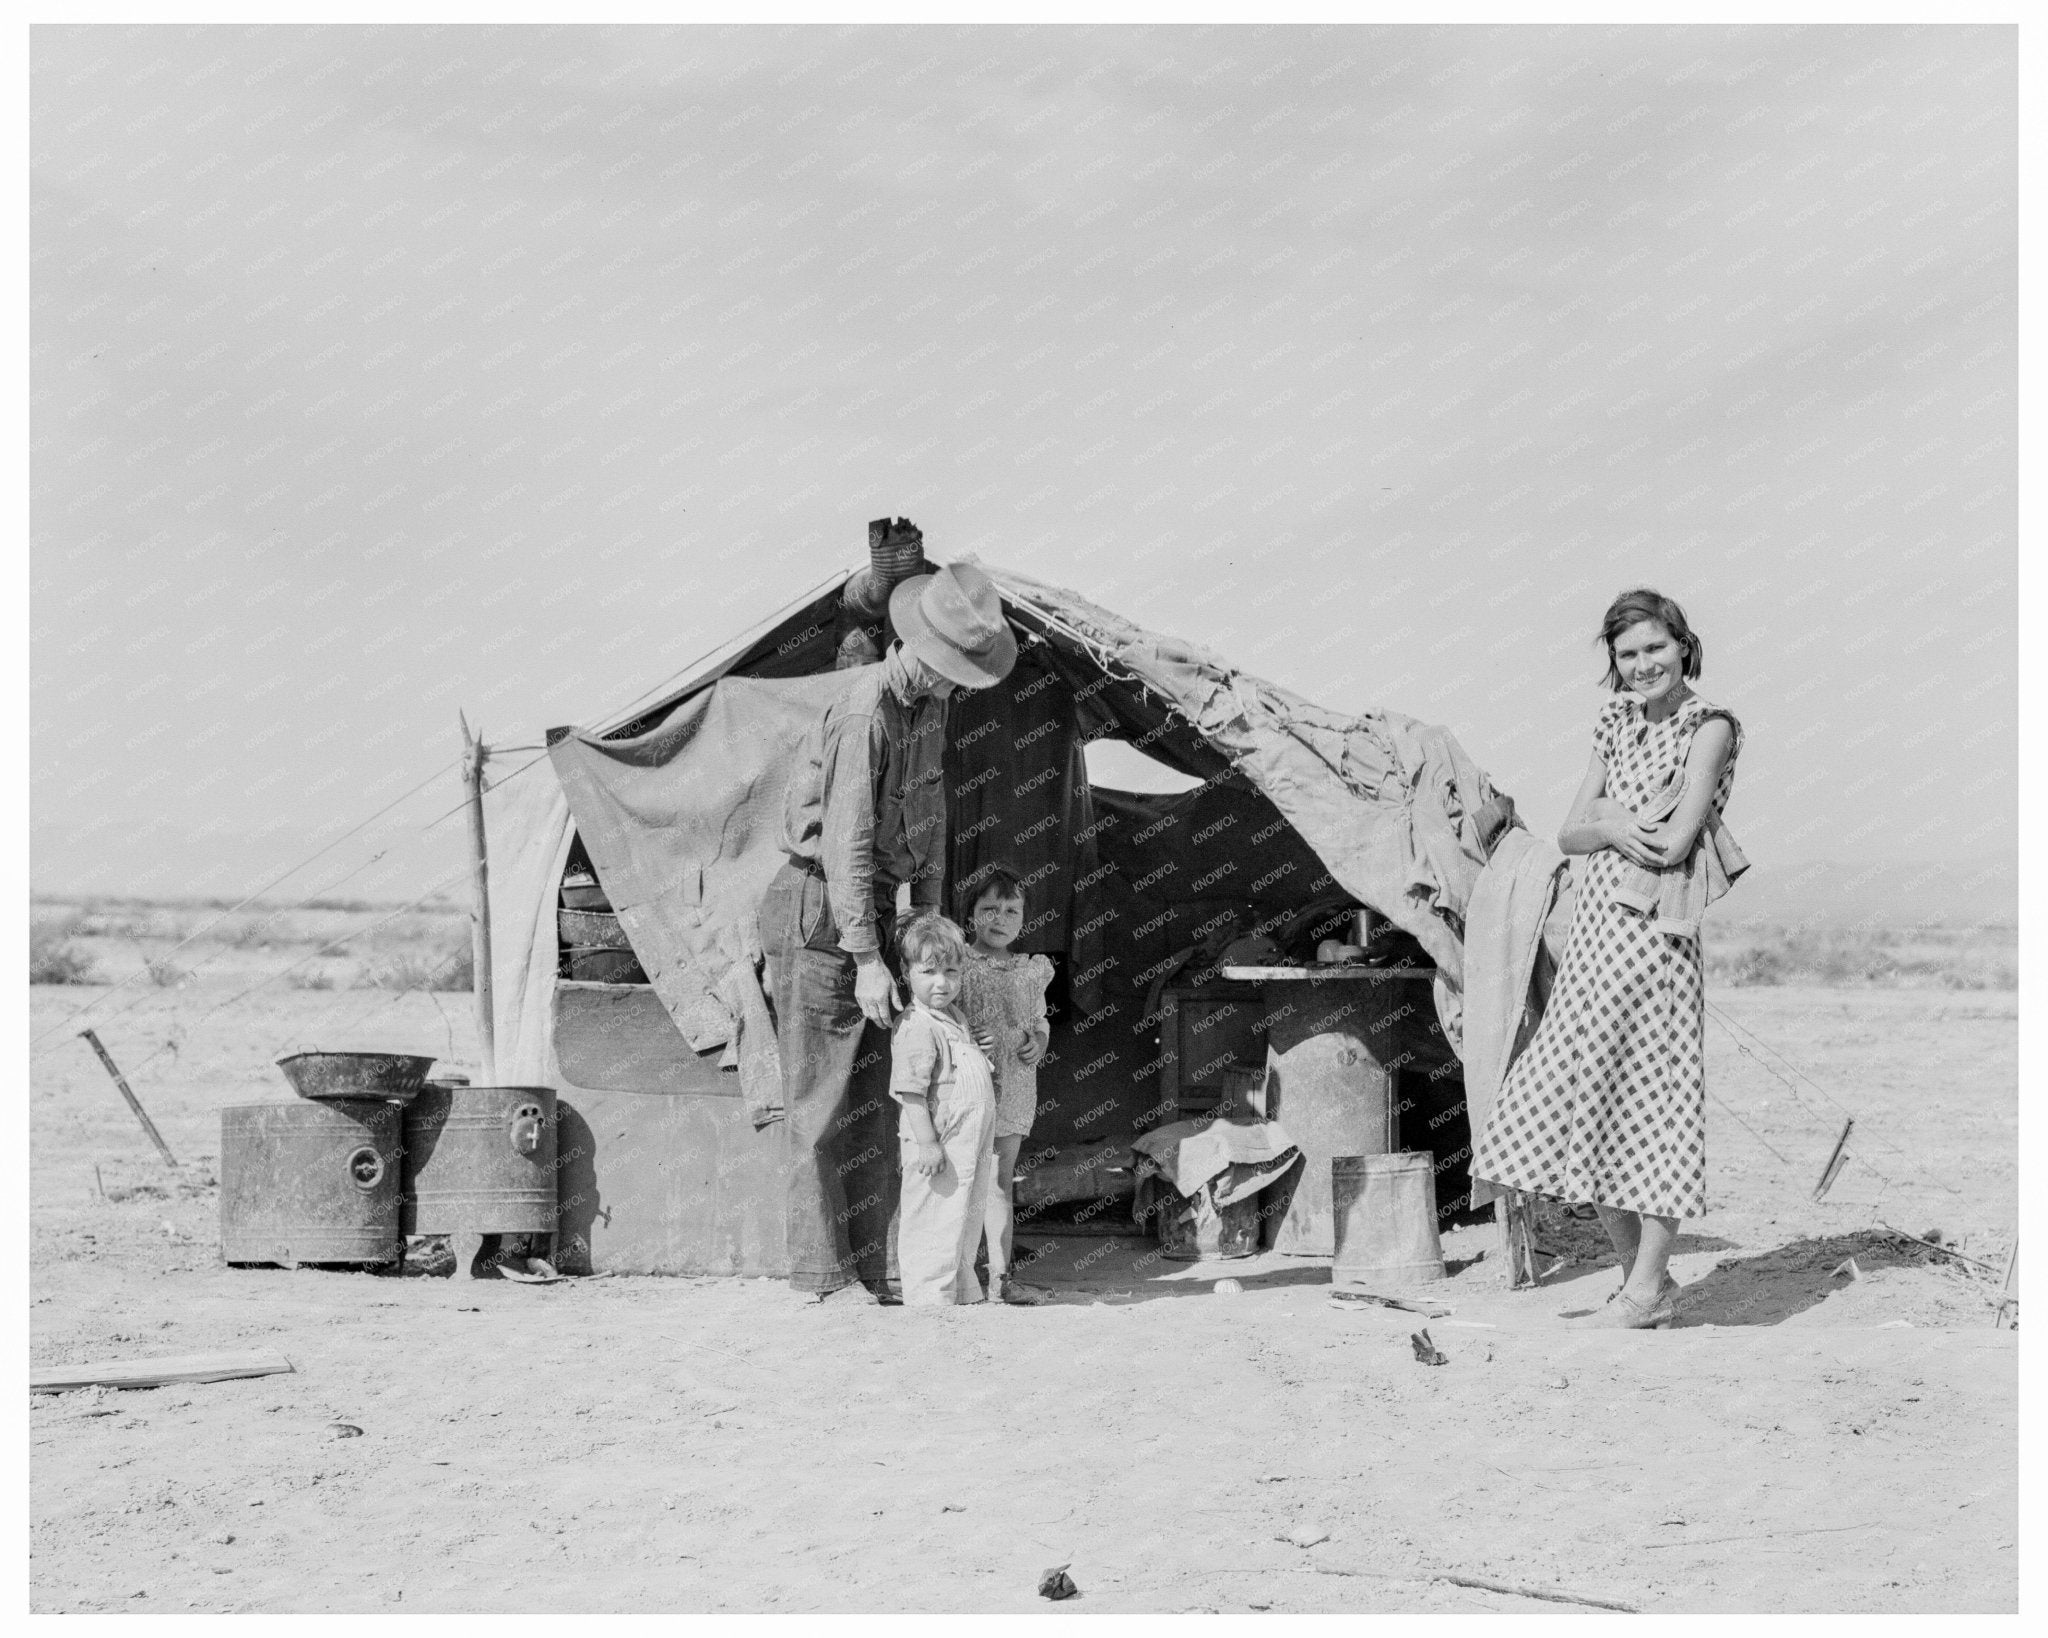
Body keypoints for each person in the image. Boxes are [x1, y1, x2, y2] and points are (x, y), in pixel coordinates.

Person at [1470, 588, 1743, 1330]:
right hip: (1594, 939)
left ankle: (1648, 1287)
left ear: (1684, 646)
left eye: (1655, 647)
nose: (1643, 664)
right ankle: (1639, 1287)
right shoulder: (1615, 721)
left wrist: (1609, 824)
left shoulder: (1707, 725)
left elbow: (1675, 841)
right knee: (1577, 1101)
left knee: (1653, 1109)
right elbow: (1566, 832)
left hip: (1656, 941)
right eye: (1627, 654)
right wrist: (1615, 824)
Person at [758, 560, 1017, 1304]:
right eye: (945, 668)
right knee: (818, 1105)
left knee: (885, 1100)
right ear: (914, 646)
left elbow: (929, 828)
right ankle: (821, 1280)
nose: (949, 683)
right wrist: (870, 959)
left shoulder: (929, 712)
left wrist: (930, 931)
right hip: (819, 916)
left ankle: (871, 1273)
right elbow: (845, 844)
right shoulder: (865, 712)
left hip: (874, 915)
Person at [889, 912, 999, 1307]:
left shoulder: (955, 1018)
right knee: (932, 1214)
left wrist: (978, 1046)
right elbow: (913, 1094)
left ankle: (960, 1288)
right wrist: (928, 1144)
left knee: (964, 1211)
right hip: (938, 1137)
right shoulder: (916, 1026)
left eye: (952, 971)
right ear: (906, 971)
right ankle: (928, 1296)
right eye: (930, 971)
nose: (942, 982)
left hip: (969, 1138)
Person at [957, 866, 1055, 1305]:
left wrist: (1039, 1042)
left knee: (1000, 1180)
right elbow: (937, 1014)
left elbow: (1039, 1020)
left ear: (1024, 917)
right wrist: (965, 1035)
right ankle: (957, 1275)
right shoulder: (957, 962)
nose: (1000, 918)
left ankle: (1001, 1278)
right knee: (962, 1176)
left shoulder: (1030, 970)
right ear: (971, 913)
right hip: (966, 1085)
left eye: (1011, 909)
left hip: (1015, 1084)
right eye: (989, 908)